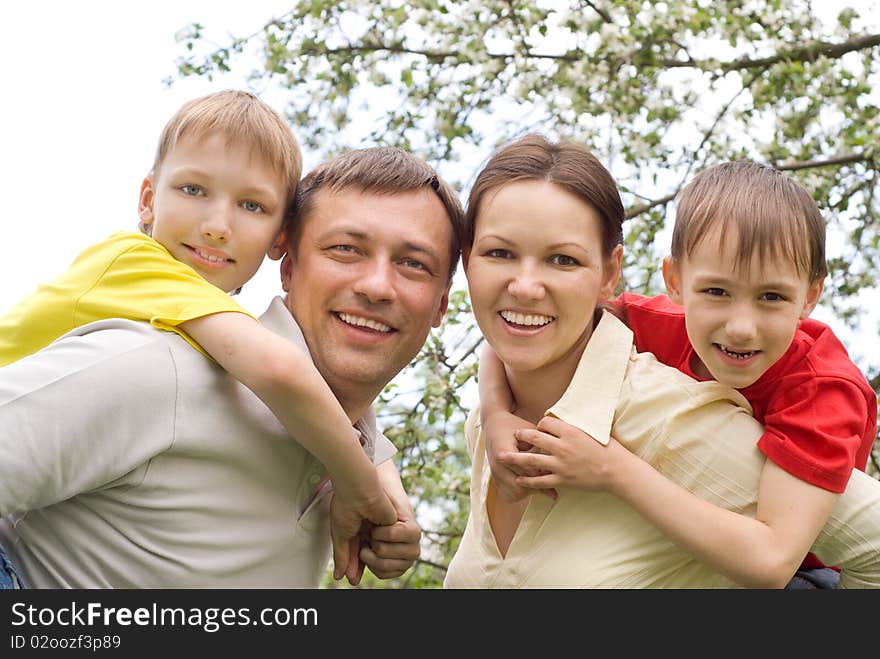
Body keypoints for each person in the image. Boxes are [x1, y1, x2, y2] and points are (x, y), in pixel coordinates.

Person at [0, 145, 465, 588]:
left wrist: (376, 479)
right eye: (345, 249)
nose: (377, 286)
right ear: (286, 266)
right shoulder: (160, 370)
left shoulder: (350, 449)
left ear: (441, 305)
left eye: (412, 264)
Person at [443, 134, 880, 588]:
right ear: (675, 281)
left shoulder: (823, 392)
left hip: (804, 570)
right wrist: (495, 414)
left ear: (810, 297)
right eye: (716, 292)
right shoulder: (653, 324)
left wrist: (613, 469)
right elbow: (527, 328)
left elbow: (773, 562)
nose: (740, 327)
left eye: (771, 297)